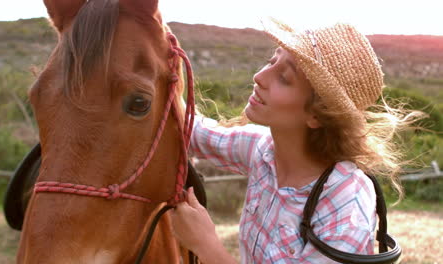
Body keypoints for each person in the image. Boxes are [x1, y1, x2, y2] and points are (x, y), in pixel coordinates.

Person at [170, 20, 420, 263]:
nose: (259, 76)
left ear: (317, 113)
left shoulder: (345, 202)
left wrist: (206, 245)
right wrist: (158, 50)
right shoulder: (264, 150)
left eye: (284, 77)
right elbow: (195, 132)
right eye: (271, 61)